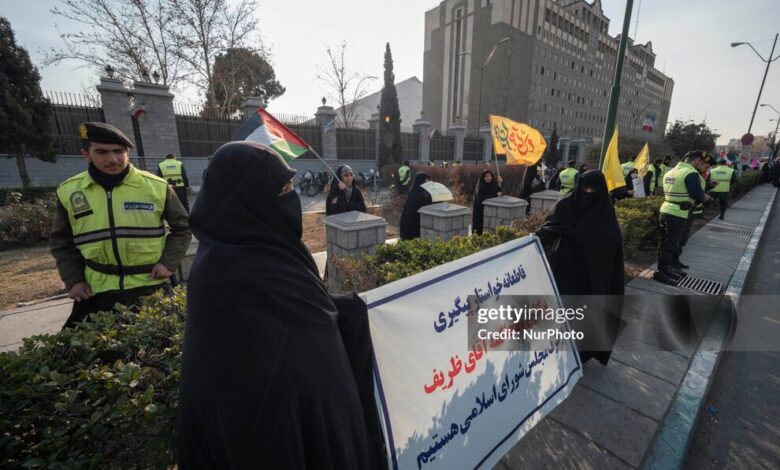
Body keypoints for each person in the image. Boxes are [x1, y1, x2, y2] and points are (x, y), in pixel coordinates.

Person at [177, 142, 385, 469]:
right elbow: (277, 353)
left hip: (300, 425)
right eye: (282, 189)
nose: (292, 199)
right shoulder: (226, 270)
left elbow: (306, 314)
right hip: (269, 438)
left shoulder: (265, 246)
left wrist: (347, 312)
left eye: (290, 187)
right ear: (249, 199)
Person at [50, 122, 191, 329]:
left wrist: (168, 263)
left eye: (119, 151)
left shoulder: (156, 187)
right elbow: (62, 242)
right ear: (86, 154)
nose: (112, 159)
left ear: (128, 153)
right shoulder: (69, 192)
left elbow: (183, 228)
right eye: (102, 152)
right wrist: (74, 280)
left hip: (149, 286)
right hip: (96, 291)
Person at [535, 170, 625, 365]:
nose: (589, 193)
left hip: (593, 274)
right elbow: (549, 229)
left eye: (594, 189)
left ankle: (581, 353)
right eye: (586, 188)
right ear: (579, 187)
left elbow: (613, 241)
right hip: (566, 268)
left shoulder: (605, 211)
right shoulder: (566, 205)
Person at [653, 150, 713, 285]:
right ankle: (661, 273)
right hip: (678, 213)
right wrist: (708, 198)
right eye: (700, 162)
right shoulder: (690, 173)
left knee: (666, 243)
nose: (701, 164)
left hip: (666, 209)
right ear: (696, 160)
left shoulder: (671, 171)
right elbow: (699, 195)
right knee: (670, 244)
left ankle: (665, 269)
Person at [399, 173, 433, 240]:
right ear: (422, 180)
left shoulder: (413, 190)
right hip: (413, 227)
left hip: (406, 226)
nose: (427, 181)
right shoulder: (421, 193)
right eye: (426, 180)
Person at [472, 169, 503, 235]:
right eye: (486, 176)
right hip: (480, 211)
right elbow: (481, 198)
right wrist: (495, 195)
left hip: (490, 211)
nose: (488, 178)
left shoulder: (493, 185)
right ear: (483, 177)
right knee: (479, 229)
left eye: (490, 176)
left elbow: (500, 192)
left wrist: (501, 183)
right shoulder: (480, 186)